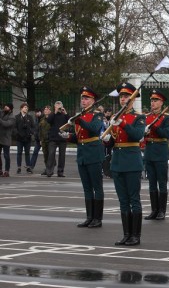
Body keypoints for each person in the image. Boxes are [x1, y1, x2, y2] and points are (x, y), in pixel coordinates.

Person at [103, 82, 146, 246]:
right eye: (121, 96)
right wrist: (108, 140)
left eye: (126, 96)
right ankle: (126, 234)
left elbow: (137, 136)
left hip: (132, 162)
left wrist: (121, 123)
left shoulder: (138, 117)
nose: (123, 99)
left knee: (134, 199)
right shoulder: (115, 117)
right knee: (123, 201)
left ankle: (136, 235)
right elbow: (114, 141)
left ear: (132, 99)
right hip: (118, 163)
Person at [62, 87, 106, 228]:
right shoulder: (80, 116)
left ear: (93, 101)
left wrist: (79, 121)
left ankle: (97, 218)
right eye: (82, 98)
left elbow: (93, 129)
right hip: (82, 154)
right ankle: (89, 217)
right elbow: (80, 137)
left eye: (87, 98)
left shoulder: (97, 115)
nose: (84, 101)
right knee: (87, 188)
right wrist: (68, 137)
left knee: (97, 187)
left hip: (93, 153)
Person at [143, 89, 169, 221]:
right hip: (149, 151)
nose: (153, 103)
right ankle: (154, 210)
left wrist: (154, 127)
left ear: (161, 102)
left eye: (156, 100)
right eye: (152, 100)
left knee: (162, 183)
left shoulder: (167, 117)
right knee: (151, 183)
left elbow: (166, 134)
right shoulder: (146, 116)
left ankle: (162, 211)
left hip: (160, 152)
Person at [45, 101, 70, 177]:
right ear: (55, 107)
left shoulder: (64, 115)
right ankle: (49, 171)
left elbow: (70, 122)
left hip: (62, 138)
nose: (58, 107)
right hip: (53, 138)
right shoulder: (53, 114)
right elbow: (49, 120)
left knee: (62, 156)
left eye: (60, 106)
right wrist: (55, 112)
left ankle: (60, 171)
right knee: (51, 155)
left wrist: (65, 113)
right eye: (57, 106)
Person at [14, 102, 34, 174]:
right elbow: (14, 127)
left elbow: (33, 127)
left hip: (27, 138)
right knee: (19, 153)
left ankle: (28, 167)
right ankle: (19, 167)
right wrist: (18, 134)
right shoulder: (16, 117)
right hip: (19, 138)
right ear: (21, 108)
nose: (26, 109)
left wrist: (31, 133)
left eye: (27, 107)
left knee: (27, 153)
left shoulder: (30, 117)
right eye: (25, 107)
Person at [0, 103, 16, 177]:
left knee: (6, 156)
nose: (5, 107)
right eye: (5, 106)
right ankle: (0, 170)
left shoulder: (12, 117)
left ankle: (6, 171)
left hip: (6, 139)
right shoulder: (1, 113)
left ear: (10, 109)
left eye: (7, 107)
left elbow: (6, 124)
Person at [38, 106, 51, 175]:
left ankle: (50, 169)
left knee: (50, 155)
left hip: (50, 140)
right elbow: (40, 130)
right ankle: (47, 168)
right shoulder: (42, 119)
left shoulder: (52, 119)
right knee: (45, 155)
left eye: (47, 109)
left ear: (50, 111)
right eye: (45, 109)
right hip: (43, 140)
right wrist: (40, 139)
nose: (46, 110)